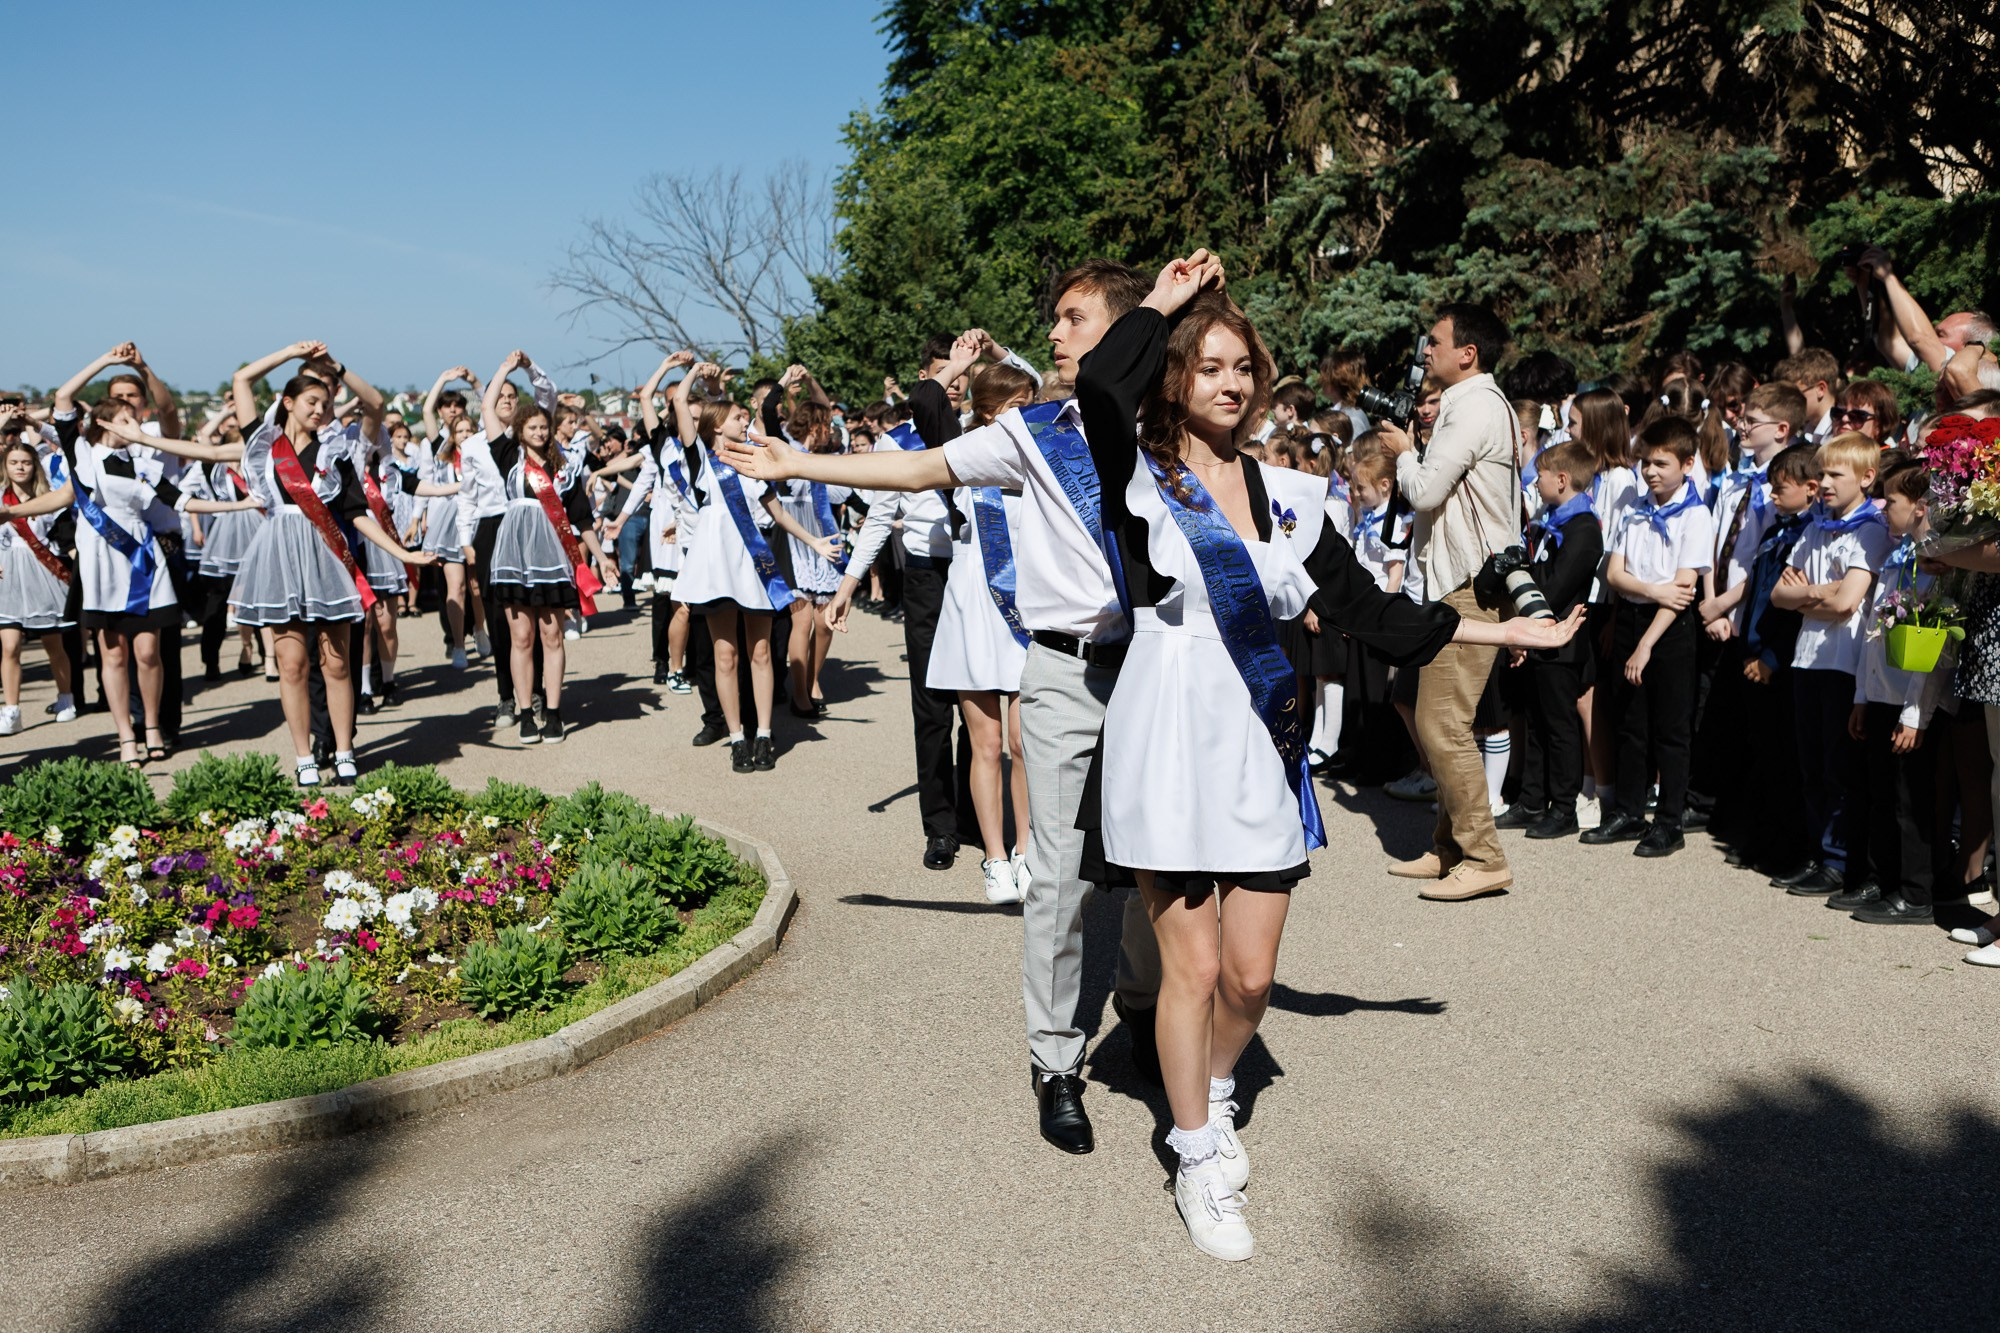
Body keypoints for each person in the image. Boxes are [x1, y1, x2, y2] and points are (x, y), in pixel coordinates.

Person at [1073, 262, 1579, 1262]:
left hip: (1257, 748)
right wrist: (1166, 306)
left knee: (1251, 980)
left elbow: (1372, 615)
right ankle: (1193, 1151)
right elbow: (1097, 380)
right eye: (1208, 367)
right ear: (1173, 379)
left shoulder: (1296, 496)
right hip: (1165, 742)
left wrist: (1501, 630)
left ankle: (1212, 1087)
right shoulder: (1136, 476)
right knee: (1195, 964)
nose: (1230, 381)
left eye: (1242, 366)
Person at [720, 257, 1171, 1158]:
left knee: (1157, 858)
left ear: (1122, 329)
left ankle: (1150, 1006)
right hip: (1066, 672)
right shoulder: (1033, 434)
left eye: (1073, 318)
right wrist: (796, 458)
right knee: (1064, 872)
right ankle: (1054, 1058)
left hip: (1159, 669)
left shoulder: (1167, 430)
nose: (1053, 332)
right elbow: (920, 466)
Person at [227, 342, 437, 785]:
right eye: (312, 401)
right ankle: (304, 755)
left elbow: (356, 512)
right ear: (288, 402)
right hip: (279, 556)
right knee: (291, 664)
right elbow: (242, 380)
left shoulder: (335, 451)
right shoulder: (264, 443)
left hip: (326, 556)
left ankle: (344, 750)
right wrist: (288, 354)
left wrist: (402, 553)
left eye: (326, 402)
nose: (321, 409)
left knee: (337, 662)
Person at [1375, 303, 1526, 901]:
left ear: (1468, 353)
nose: (1425, 351)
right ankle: (1448, 849)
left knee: (1444, 725)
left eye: (1435, 342)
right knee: (1437, 718)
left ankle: (1485, 857)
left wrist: (1402, 450)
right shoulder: (1474, 404)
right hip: (1452, 581)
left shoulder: (1476, 407)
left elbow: (1425, 490)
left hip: (1470, 582)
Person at [672, 363, 840, 773]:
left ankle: (764, 733)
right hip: (716, 572)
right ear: (715, 427)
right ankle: (735, 737)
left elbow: (778, 514)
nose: (746, 420)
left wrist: (814, 540)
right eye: (738, 417)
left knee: (762, 652)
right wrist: (695, 370)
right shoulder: (700, 462)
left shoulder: (755, 464)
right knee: (724, 656)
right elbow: (679, 399)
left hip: (754, 569)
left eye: (746, 417)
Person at [926, 361, 1038, 904]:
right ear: (989, 410)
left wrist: (1002, 349)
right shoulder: (965, 451)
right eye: (1016, 404)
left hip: (1024, 608)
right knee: (986, 744)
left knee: (1024, 742)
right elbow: (928, 401)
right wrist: (961, 364)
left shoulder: (1041, 455)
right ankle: (994, 857)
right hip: (974, 604)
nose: (1028, 412)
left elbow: (1059, 385)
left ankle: (1026, 848)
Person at [1580, 418, 1714, 857]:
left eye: (1661, 463)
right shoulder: (1635, 509)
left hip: (1669, 631)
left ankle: (1669, 821)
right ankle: (1628, 811)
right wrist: (1652, 589)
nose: (1651, 471)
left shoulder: (1695, 515)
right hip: (1634, 618)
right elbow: (1617, 574)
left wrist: (1646, 644)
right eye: (1646, 462)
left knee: (1670, 729)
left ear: (1687, 464)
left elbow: (1682, 593)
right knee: (1629, 721)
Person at [1768, 432, 1892, 895]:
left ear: (1866, 478)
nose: (1823, 483)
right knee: (1812, 764)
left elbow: (1847, 605)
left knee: (1842, 767)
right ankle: (1819, 853)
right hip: (1808, 659)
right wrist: (1819, 593)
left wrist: (1812, 597)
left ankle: (1842, 860)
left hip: (1845, 661)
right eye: (1821, 474)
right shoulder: (1816, 527)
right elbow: (1781, 596)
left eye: (1835, 475)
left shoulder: (1870, 529)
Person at [476, 358, 614, 745]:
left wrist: (601, 558)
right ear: (519, 430)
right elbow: (487, 406)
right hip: (515, 556)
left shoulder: (564, 468)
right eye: (531, 426)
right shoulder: (507, 457)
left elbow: (583, 519)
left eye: (543, 427)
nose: (538, 432)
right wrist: (505, 367)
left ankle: (552, 711)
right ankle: (524, 711)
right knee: (521, 637)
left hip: (552, 557)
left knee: (551, 636)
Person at [1838, 462, 1947, 925]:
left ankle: (1917, 894)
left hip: (1909, 703)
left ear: (1920, 508)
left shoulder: (1937, 564)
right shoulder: (1895, 555)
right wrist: (1862, 694)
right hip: (1881, 695)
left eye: (1891, 503)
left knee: (1910, 801)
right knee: (1882, 795)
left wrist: (1915, 715)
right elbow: (1871, 632)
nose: (1882, 510)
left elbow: (1936, 645)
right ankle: (1885, 882)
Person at [1511, 440, 1604, 839]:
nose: (1536, 482)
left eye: (1542, 475)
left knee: (1560, 725)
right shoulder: (1553, 521)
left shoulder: (1582, 529)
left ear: (1562, 480)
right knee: (1534, 721)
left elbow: (1556, 587)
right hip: (1538, 636)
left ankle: (1563, 807)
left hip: (1562, 640)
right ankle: (1532, 800)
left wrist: (1525, 592)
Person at [0, 430, 76, 735]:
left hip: (44, 576)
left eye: (26, 462)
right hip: (7, 578)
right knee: (9, 646)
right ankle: (12, 710)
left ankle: (66, 698)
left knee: (52, 643)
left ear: (35, 466)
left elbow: (64, 538)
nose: (20, 467)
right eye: (14, 462)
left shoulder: (50, 500)